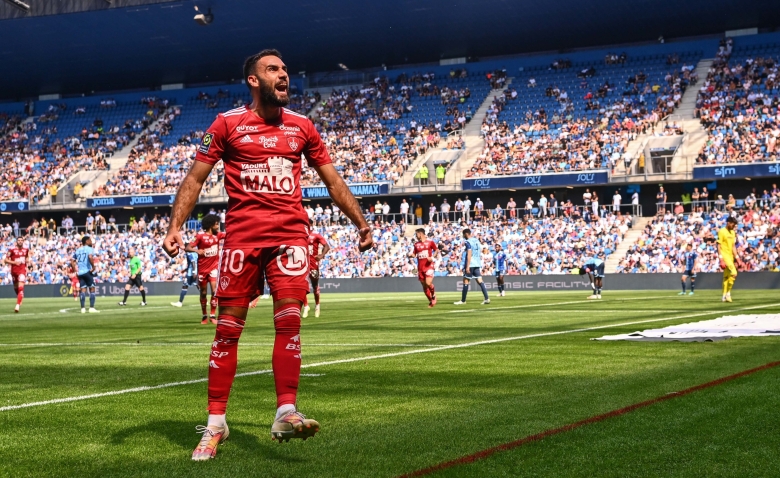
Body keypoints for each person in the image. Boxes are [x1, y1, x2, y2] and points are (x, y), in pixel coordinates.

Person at [162, 49, 372, 460]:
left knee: (290, 321)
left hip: (290, 237)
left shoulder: (303, 127)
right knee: (227, 330)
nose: (284, 75)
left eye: (286, 70)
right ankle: (215, 425)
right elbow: (195, 177)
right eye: (273, 69)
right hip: (241, 239)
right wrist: (175, 226)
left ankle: (285, 411)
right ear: (254, 80)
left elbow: (332, 181)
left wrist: (361, 223)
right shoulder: (226, 124)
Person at [185, 214, 225, 324]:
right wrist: (196, 251)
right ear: (210, 224)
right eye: (216, 224)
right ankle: (204, 315)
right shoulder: (200, 236)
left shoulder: (219, 235)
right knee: (203, 293)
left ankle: (212, 315)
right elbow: (187, 247)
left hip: (214, 268)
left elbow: (231, 235)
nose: (218, 226)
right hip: (202, 269)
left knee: (214, 291)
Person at [453, 228, 490, 305]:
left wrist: (467, 266)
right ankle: (487, 298)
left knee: (465, 281)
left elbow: (469, 253)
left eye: (463, 235)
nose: (463, 236)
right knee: (480, 281)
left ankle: (463, 301)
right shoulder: (476, 240)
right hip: (477, 263)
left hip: (471, 264)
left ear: (466, 234)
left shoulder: (468, 242)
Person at [302, 223, 330, 318]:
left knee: (315, 286)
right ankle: (306, 306)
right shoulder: (300, 236)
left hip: (313, 264)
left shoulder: (315, 235)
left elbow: (327, 246)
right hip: (302, 264)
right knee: (301, 285)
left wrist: (321, 256)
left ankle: (317, 305)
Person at [410, 228, 438, 307]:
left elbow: (436, 250)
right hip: (420, 268)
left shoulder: (430, 242)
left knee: (428, 283)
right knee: (424, 286)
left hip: (429, 266)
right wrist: (410, 255)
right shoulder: (416, 244)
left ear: (420, 234)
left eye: (416, 234)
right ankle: (431, 300)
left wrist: (432, 257)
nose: (416, 236)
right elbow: (414, 254)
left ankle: (433, 296)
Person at [717, 216, 742, 303]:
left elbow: (733, 246)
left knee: (726, 277)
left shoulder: (732, 232)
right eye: (733, 224)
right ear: (728, 223)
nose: (733, 226)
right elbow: (719, 245)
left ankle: (724, 296)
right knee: (734, 273)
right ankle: (728, 293)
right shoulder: (722, 231)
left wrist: (737, 258)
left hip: (730, 256)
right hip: (724, 256)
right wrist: (721, 259)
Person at [72, 235, 99, 313]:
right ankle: (91, 308)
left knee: (83, 289)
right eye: (90, 240)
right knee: (92, 288)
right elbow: (90, 257)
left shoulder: (77, 250)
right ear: (86, 241)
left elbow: (72, 261)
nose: (91, 241)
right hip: (87, 271)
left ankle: (82, 308)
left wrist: (75, 271)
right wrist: (93, 266)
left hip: (80, 272)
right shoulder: (90, 249)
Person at [4, 236, 30, 313]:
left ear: (23, 241)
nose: (20, 241)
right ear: (16, 242)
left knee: (21, 288)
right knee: (16, 288)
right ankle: (20, 296)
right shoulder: (11, 250)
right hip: (14, 271)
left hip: (22, 271)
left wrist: (27, 261)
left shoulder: (26, 249)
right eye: (19, 240)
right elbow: (5, 260)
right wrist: (14, 262)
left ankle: (17, 305)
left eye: (21, 240)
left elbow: (27, 256)